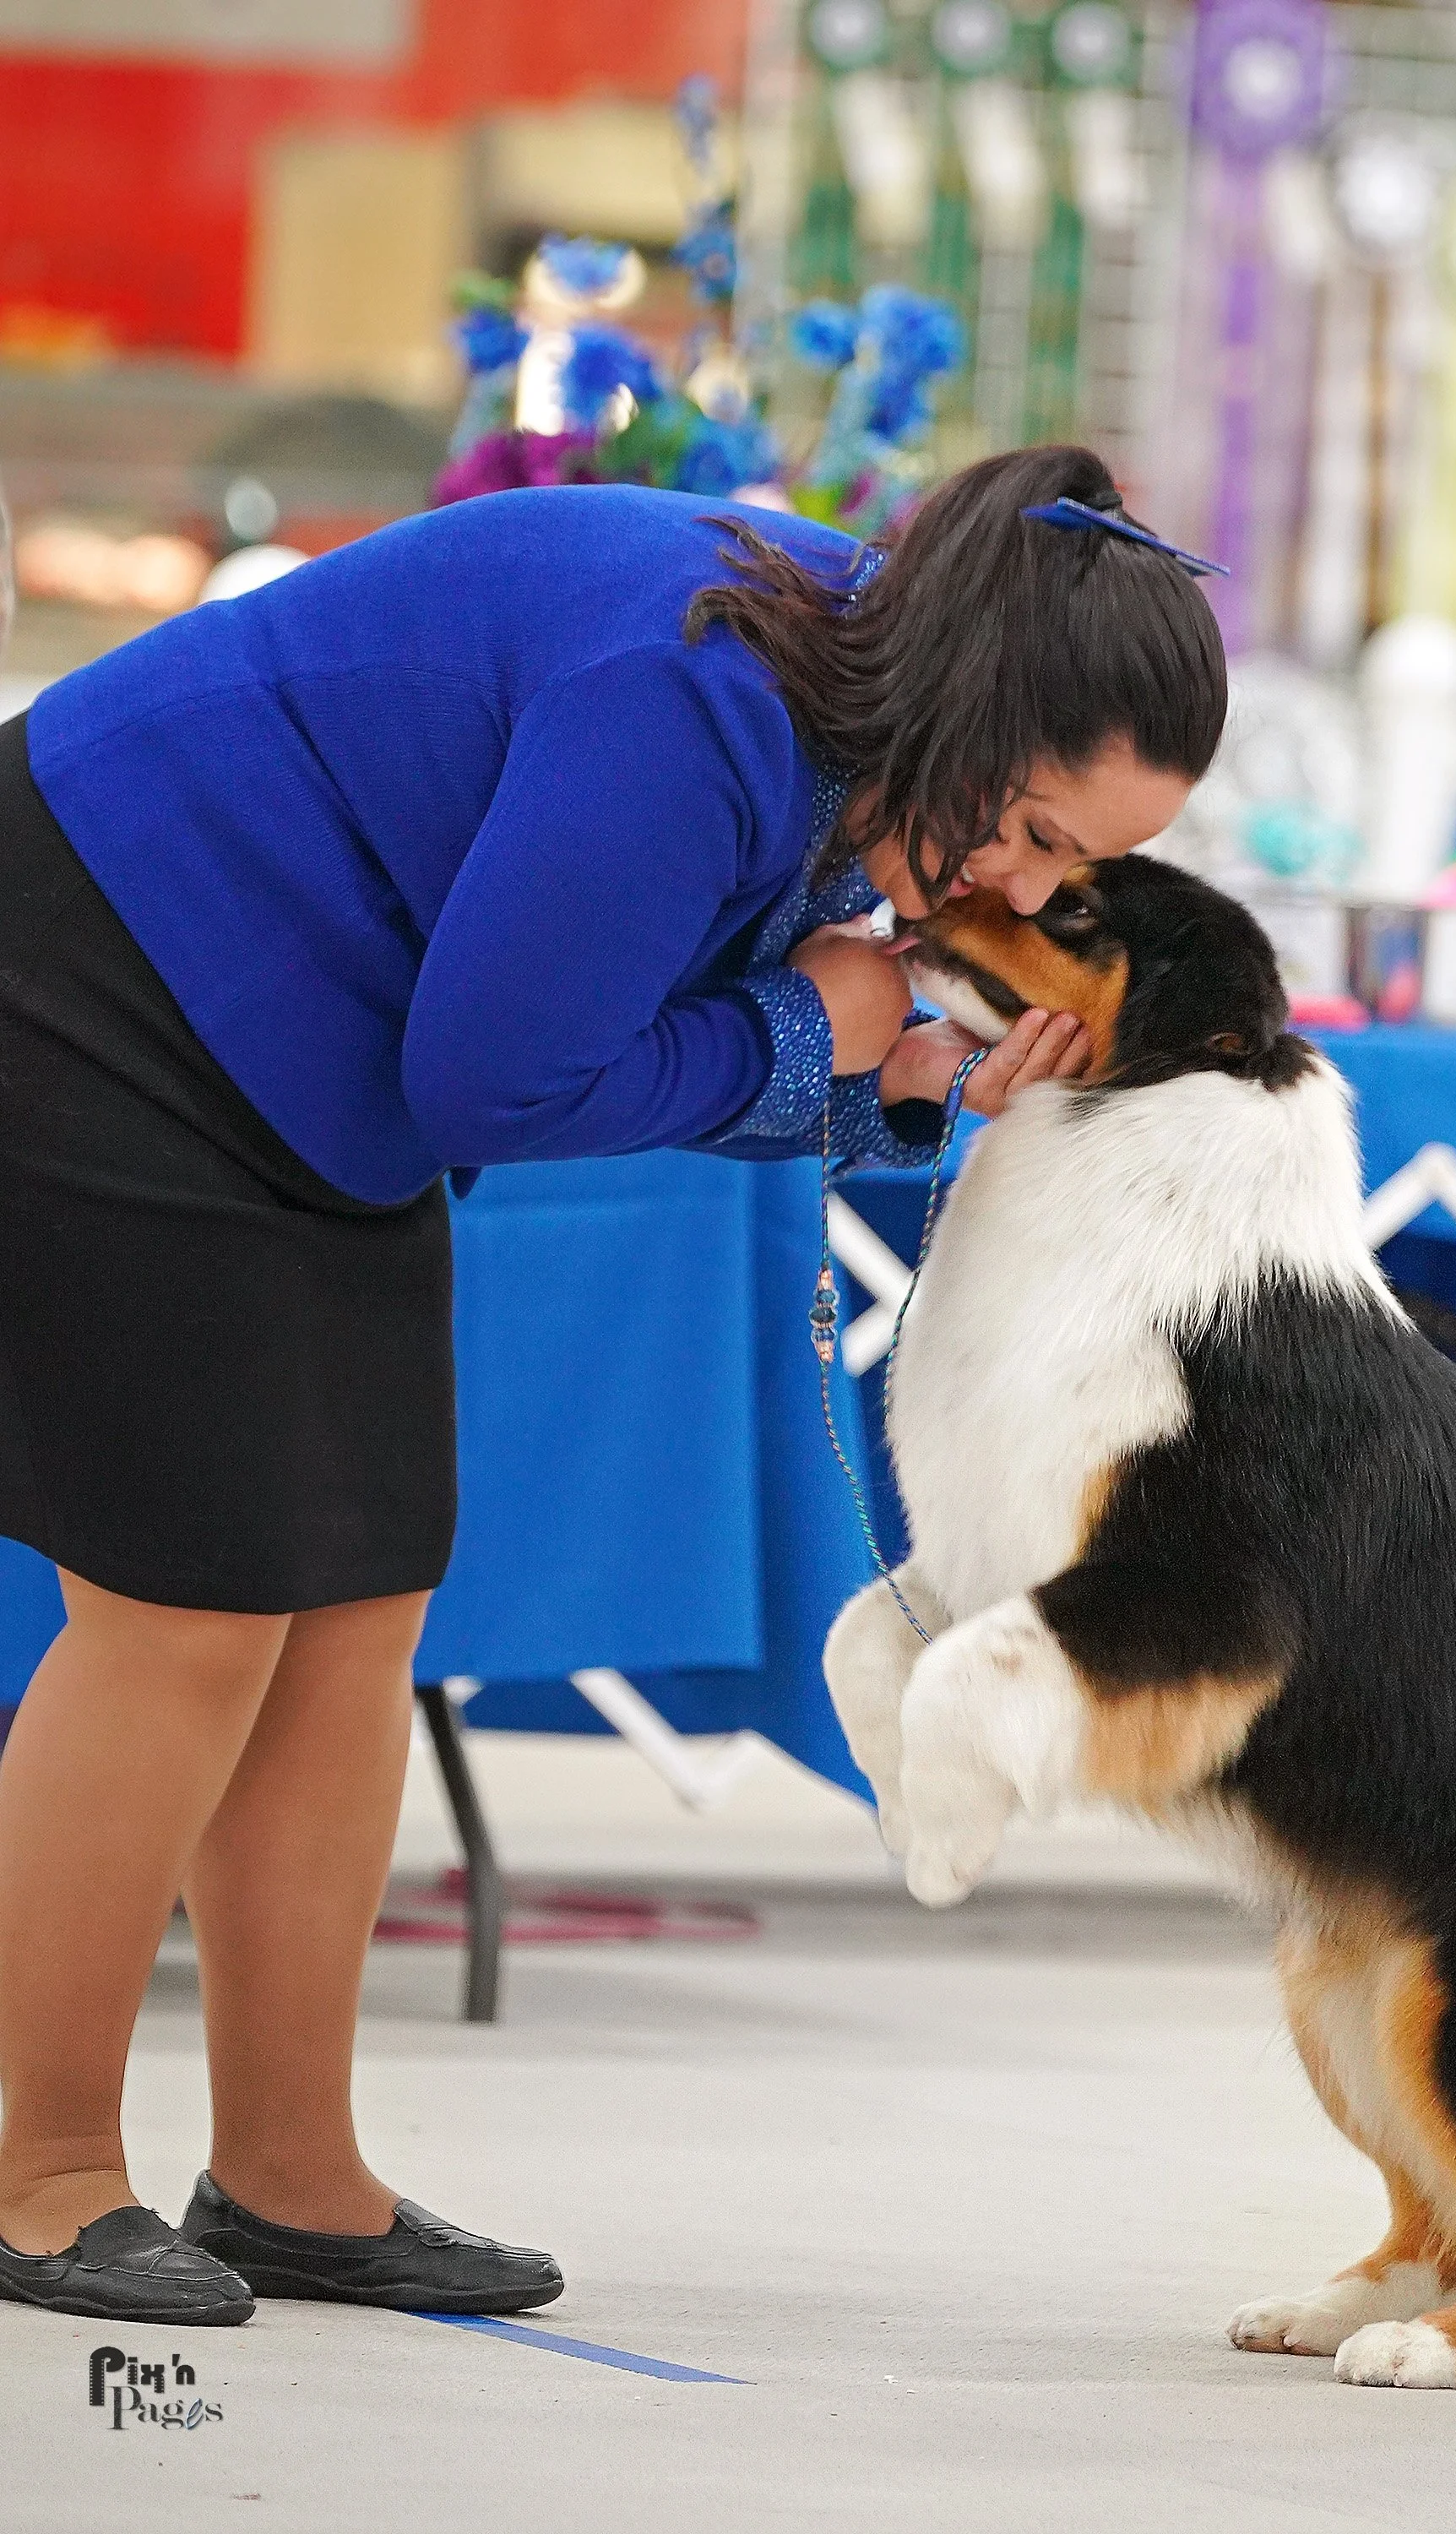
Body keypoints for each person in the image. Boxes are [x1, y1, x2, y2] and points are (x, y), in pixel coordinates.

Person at [0, 444, 1225, 2324]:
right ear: (979, 712)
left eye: (1089, 867)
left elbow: (640, 1015)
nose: (1037, 888)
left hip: (304, 1060)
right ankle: (38, 2171)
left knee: (353, 1600)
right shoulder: (699, 696)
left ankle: (287, 2176)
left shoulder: (862, 718)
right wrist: (820, 1025)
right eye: (1046, 835)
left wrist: (883, 1082)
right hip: (97, 964)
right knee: (183, 1616)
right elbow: (502, 1075)